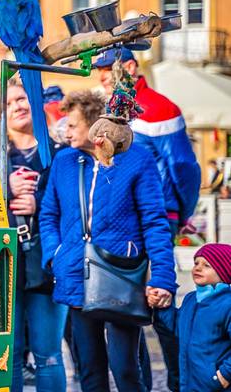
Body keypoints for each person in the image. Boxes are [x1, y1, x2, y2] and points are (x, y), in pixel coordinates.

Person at [39, 89, 177, 392]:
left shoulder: (137, 159)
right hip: (75, 275)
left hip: (122, 276)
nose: (66, 130)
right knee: (89, 371)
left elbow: (155, 222)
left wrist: (165, 278)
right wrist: (55, 255)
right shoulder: (64, 161)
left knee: (126, 369)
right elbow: (48, 214)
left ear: (95, 125)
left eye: (73, 124)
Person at [95, 48, 197, 392]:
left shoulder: (160, 108)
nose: (102, 76)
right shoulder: (106, 113)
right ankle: (141, 383)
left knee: (161, 306)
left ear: (130, 66)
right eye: (98, 70)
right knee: (127, 309)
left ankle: (180, 382)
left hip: (156, 218)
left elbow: (183, 167)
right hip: (118, 224)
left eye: (107, 68)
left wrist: (179, 212)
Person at [0, 77, 67, 392]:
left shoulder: (59, 150)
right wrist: (4, 189)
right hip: (1, 265)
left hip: (48, 264)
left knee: (49, 356)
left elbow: (77, 203)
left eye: (22, 99)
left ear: (36, 102)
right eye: (9, 103)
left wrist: (38, 202)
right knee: (6, 356)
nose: (17, 107)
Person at [156, 243, 231, 392]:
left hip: (216, 386)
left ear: (224, 271)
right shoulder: (191, 299)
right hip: (189, 383)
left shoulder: (227, 304)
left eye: (207, 265)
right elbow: (177, 327)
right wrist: (162, 306)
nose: (197, 268)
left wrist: (223, 376)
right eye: (196, 263)